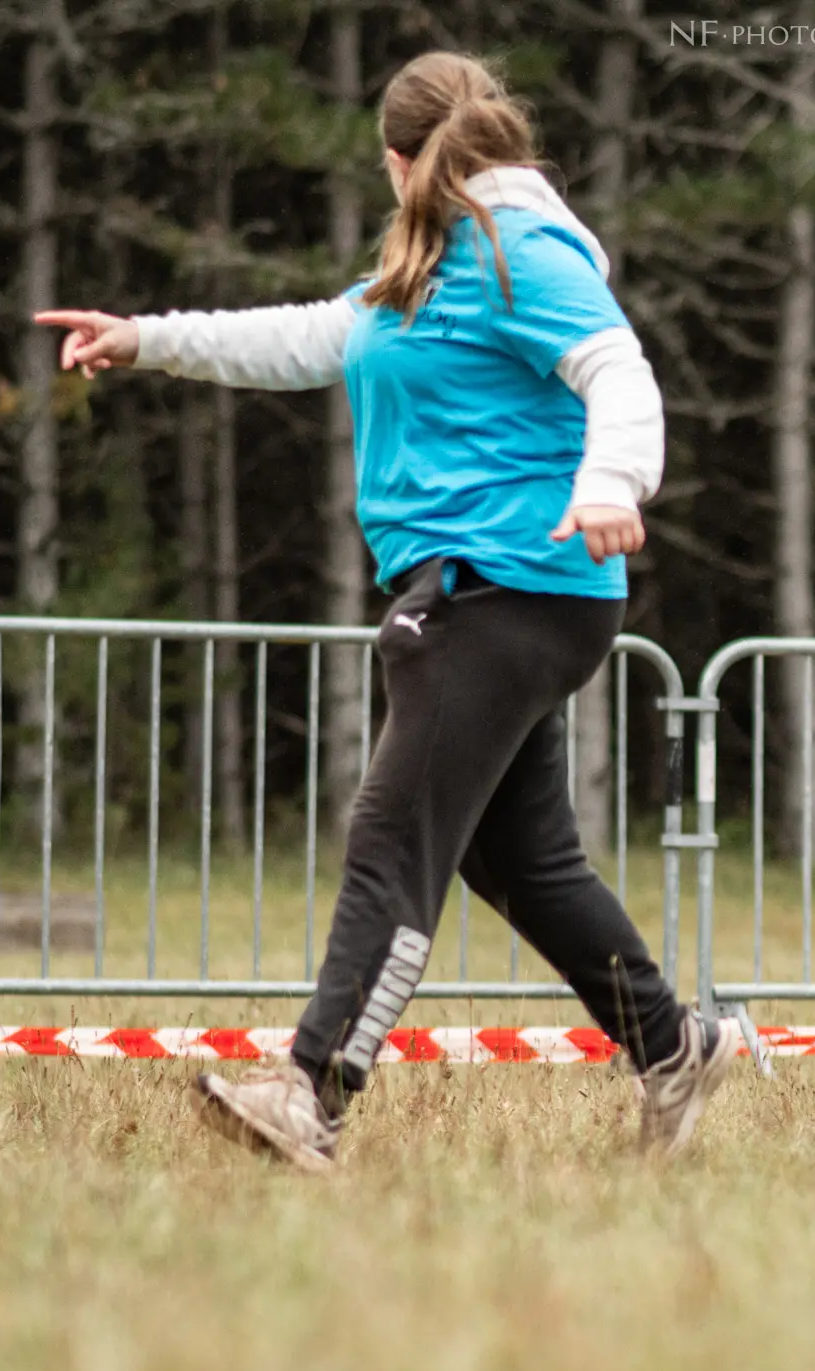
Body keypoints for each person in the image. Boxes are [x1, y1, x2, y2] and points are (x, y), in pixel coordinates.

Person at [38, 51, 733, 1170]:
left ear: (400, 160)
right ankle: (672, 1044)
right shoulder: (434, 263)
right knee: (521, 863)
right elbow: (315, 336)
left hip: (503, 586)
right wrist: (148, 337)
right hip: (502, 590)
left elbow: (619, 369)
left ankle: (310, 1093)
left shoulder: (520, 248)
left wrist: (609, 484)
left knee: (390, 839)